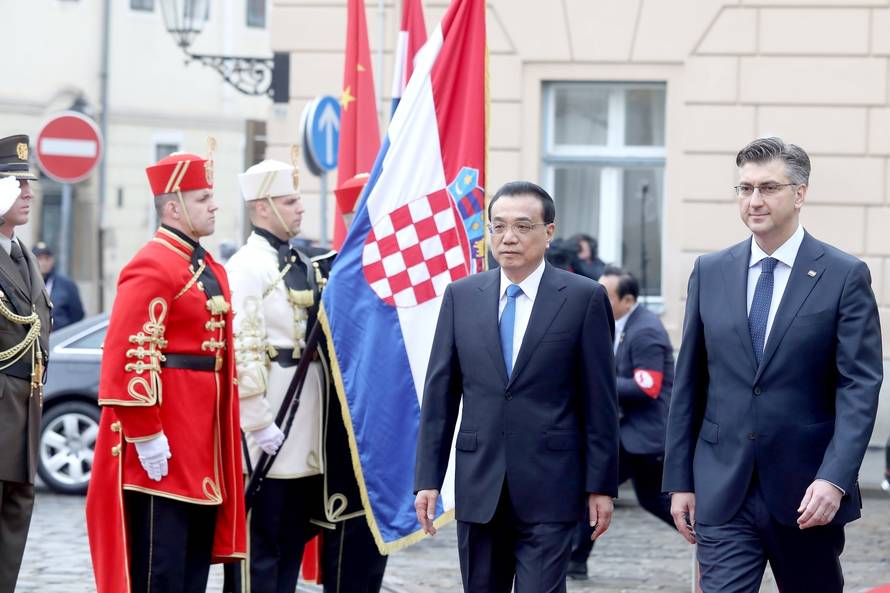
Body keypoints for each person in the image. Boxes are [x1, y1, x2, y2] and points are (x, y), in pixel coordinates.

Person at [663, 137, 883, 593]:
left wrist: (835, 478)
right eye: (744, 189)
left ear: (799, 194)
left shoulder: (843, 275)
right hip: (724, 488)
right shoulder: (711, 270)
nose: (754, 200)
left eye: (768, 187)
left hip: (807, 492)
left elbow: (859, 386)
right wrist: (680, 479)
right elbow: (690, 383)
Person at [414, 181, 619, 592]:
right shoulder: (462, 296)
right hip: (479, 483)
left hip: (552, 484)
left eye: (523, 226)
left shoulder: (583, 298)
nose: (509, 237)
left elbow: (600, 401)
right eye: (499, 226)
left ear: (548, 232)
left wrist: (601, 485)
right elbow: (440, 396)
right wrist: (427, 479)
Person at [86, 148, 247, 593]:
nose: (214, 205)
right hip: (166, 442)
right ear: (173, 207)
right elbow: (127, 355)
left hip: (202, 441)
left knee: (192, 568)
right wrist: (146, 433)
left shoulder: (203, 264)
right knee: (162, 569)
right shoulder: (152, 263)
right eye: (202, 198)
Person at [226, 158, 387, 593]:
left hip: (307, 421)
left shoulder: (300, 261)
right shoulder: (247, 265)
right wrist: (256, 420)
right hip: (273, 412)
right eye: (290, 200)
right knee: (261, 545)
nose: (301, 208)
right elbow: (242, 344)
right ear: (262, 207)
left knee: (290, 541)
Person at [567, 266, 674, 580]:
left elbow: (647, 387)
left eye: (606, 295)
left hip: (641, 435)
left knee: (597, 490)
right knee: (649, 498)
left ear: (627, 300)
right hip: (627, 434)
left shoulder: (646, 330)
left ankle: (714, 536)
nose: (597, 298)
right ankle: (574, 561)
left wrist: (596, 383)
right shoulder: (612, 324)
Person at [0, 135, 52, 593]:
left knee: (14, 527)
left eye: (28, 183)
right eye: (17, 183)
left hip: (24, 417)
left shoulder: (24, 257)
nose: (28, 192)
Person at [32, 242, 84, 330]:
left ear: (52, 260)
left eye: (47, 259)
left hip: (60, 336)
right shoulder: (27, 283)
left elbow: (77, 315)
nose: (43, 263)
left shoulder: (66, 284)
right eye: (39, 259)